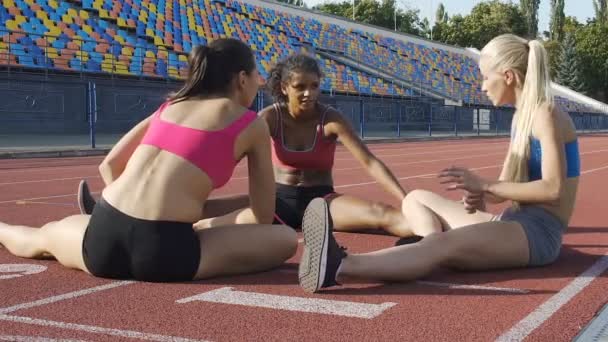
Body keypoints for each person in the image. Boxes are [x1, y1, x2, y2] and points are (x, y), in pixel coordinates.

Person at [297, 34, 581, 293]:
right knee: (416, 199)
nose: (481, 87)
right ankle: (422, 247)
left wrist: (485, 184)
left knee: (440, 245)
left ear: (507, 76)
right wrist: (478, 194)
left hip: (538, 235)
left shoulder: (546, 114)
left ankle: (339, 266)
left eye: (484, 77)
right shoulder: (521, 118)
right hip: (511, 222)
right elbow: (498, 193)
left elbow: (553, 189)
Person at [0, 38, 297, 282]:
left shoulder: (171, 106)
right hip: (167, 254)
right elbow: (260, 215)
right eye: (256, 76)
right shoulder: (251, 123)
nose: (258, 84)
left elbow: (110, 166)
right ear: (241, 78)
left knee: (42, 237)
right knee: (283, 237)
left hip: (104, 238)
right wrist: (205, 218)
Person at [189, 53, 414, 237]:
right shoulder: (269, 118)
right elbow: (229, 157)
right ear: (285, 87)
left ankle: (429, 237)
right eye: (300, 86)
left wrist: (405, 200)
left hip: (322, 202)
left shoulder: (330, 119)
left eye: (314, 86)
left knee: (383, 213)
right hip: (275, 202)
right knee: (196, 210)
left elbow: (370, 162)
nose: (309, 93)